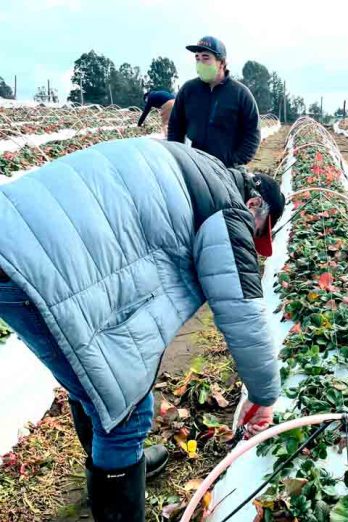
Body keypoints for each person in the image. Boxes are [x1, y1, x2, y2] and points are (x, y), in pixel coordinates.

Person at [0, 137, 285, 521]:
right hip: (35, 266)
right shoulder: (229, 209)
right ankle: (116, 475)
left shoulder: (200, 165)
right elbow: (243, 312)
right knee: (123, 411)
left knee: (99, 381)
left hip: (25, 235)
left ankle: (116, 466)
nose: (252, 243)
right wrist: (264, 396)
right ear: (254, 205)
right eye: (258, 233)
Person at [168, 36, 261, 167]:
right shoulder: (188, 90)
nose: (200, 63)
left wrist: (235, 161)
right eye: (197, 58)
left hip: (227, 170)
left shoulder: (240, 94)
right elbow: (175, 126)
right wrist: (177, 156)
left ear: (221, 63)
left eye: (206, 58)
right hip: (194, 168)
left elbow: (252, 133)